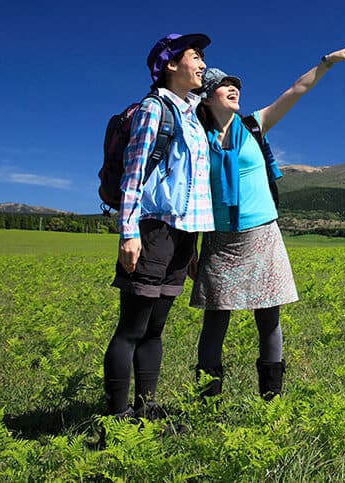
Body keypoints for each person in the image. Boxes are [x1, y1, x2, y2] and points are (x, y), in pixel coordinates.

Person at [190, 38, 345, 400]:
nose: (233, 88)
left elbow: (296, 90)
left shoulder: (255, 125)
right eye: (223, 85)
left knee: (268, 318)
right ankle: (207, 403)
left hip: (262, 235)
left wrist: (327, 61)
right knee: (215, 320)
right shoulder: (197, 139)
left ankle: (272, 400)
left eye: (235, 84)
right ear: (206, 98)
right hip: (220, 239)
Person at [102, 33, 216, 425]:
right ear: (170, 64)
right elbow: (133, 176)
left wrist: (192, 246)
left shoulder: (192, 114)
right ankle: (117, 418)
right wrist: (128, 232)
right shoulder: (155, 109)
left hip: (182, 235)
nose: (202, 64)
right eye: (195, 56)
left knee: (155, 329)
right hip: (153, 230)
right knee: (132, 328)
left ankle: (145, 408)